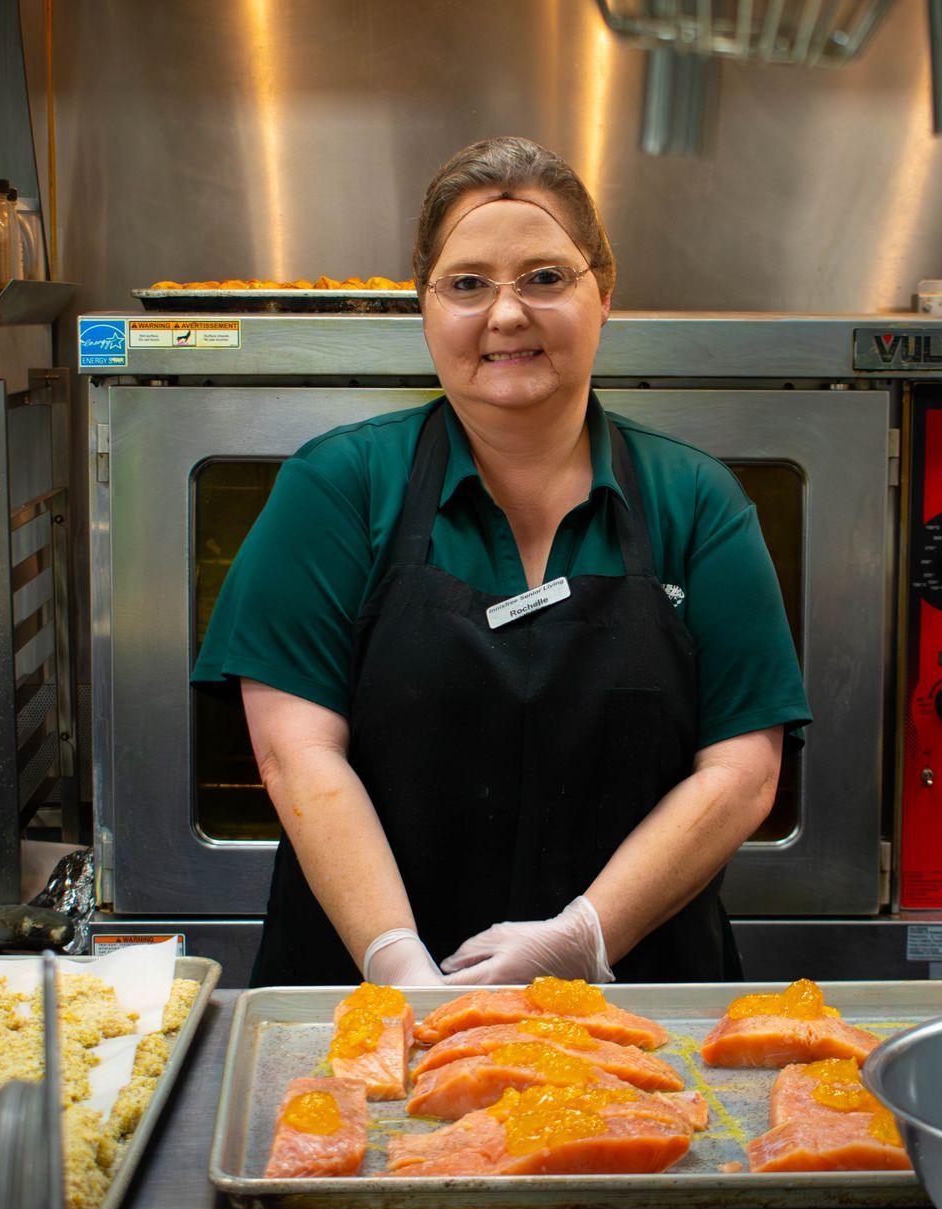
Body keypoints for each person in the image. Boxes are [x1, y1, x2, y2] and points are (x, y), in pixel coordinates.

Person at [192, 136, 809, 987]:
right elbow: (296, 752)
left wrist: (585, 935)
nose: (506, 315)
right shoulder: (337, 486)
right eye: (468, 284)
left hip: (629, 1003)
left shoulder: (697, 501)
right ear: (426, 306)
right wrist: (396, 964)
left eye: (545, 278)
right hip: (369, 1009)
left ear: (604, 294)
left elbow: (742, 772)